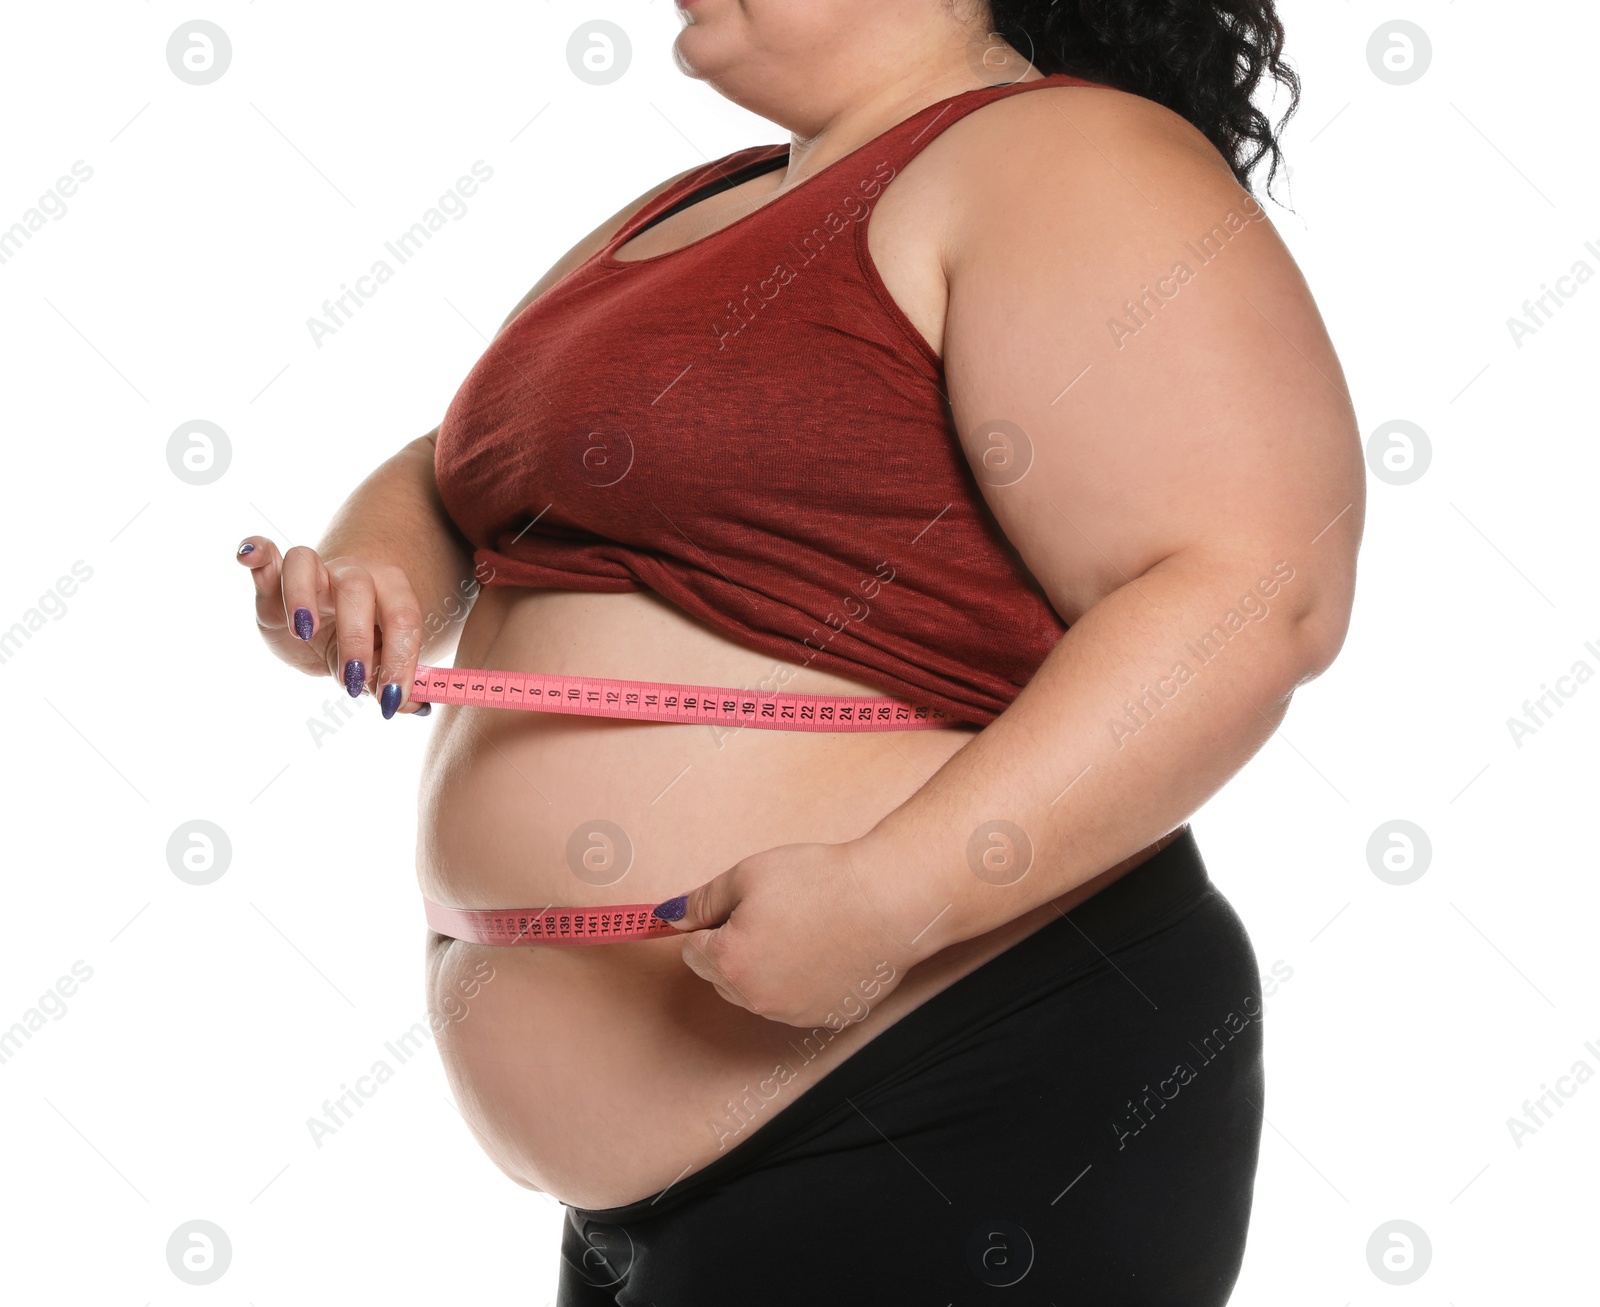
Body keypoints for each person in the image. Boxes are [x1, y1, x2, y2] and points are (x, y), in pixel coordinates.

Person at [236, 1, 1361, 1300]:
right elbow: (464, 475)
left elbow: (1250, 588)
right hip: (655, 1196)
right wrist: (373, 573)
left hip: (956, 1089)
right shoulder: (680, 211)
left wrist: (898, 899)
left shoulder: (1065, 159)